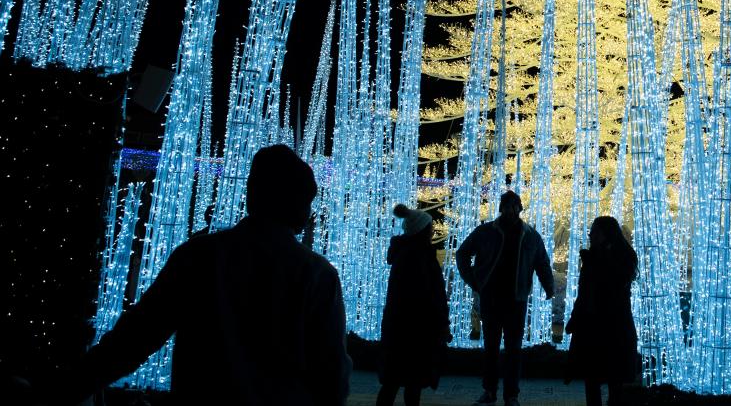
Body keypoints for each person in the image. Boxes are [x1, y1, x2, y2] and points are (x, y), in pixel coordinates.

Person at [49, 144, 350, 406]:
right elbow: (331, 374)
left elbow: (136, 337)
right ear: (300, 207)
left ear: (252, 194)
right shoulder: (318, 275)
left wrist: (66, 389)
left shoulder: (199, 256)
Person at [456, 190, 554, 406]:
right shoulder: (485, 232)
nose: (510, 210)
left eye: (514, 205)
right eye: (506, 205)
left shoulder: (530, 235)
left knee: (513, 349)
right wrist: (474, 280)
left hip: (516, 299)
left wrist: (549, 286)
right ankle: (489, 390)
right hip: (491, 297)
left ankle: (511, 395)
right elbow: (462, 253)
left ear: (519, 208)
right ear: (501, 208)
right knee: (491, 347)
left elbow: (542, 262)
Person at [377, 203, 450, 406]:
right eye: (430, 227)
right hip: (416, 329)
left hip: (398, 326)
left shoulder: (403, 253)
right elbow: (432, 294)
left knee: (394, 381)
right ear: (421, 231)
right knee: (411, 383)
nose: (433, 230)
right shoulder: (420, 256)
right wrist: (441, 323)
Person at [565, 216, 639, 406]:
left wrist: (595, 261)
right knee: (593, 378)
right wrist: (575, 317)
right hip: (593, 325)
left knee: (615, 379)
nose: (590, 235)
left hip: (615, 325)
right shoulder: (592, 257)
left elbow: (615, 283)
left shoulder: (623, 257)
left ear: (607, 234)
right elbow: (584, 292)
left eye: (595, 231)